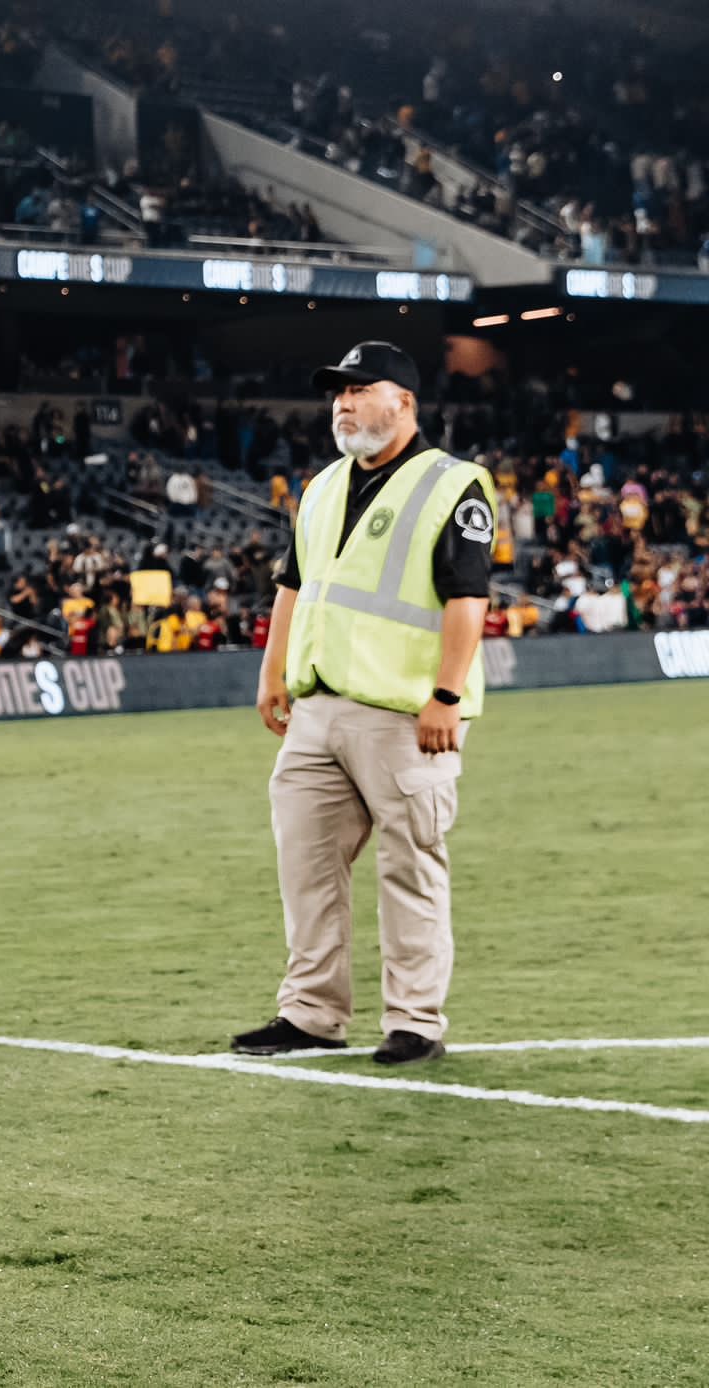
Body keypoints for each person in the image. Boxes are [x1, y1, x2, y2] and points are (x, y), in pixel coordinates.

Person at [236, 342, 496, 1067]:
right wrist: (272, 672)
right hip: (318, 708)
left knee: (410, 866)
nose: (343, 404)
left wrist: (445, 695)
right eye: (336, 394)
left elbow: (468, 599)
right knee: (307, 865)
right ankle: (311, 1013)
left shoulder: (454, 483)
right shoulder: (320, 487)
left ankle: (416, 1021)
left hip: (406, 713)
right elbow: (292, 586)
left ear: (404, 401)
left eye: (358, 389)